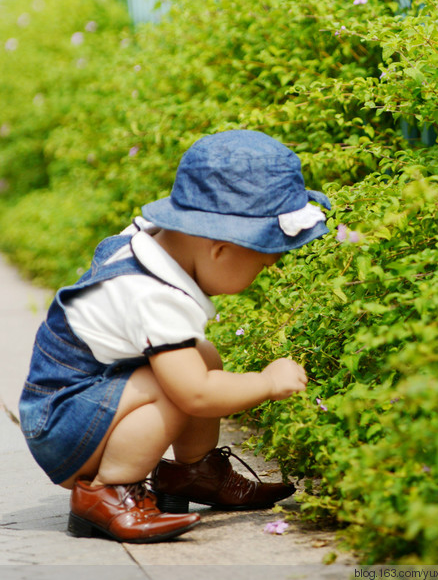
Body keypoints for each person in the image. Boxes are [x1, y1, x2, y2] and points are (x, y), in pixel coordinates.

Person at [19, 130, 331, 543]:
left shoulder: (150, 243)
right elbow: (195, 395)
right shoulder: (155, 296)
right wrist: (268, 383)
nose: (265, 273)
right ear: (220, 249)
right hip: (62, 427)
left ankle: (193, 473)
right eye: (264, 262)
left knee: (201, 354)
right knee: (176, 387)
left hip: (76, 405)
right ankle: (107, 493)